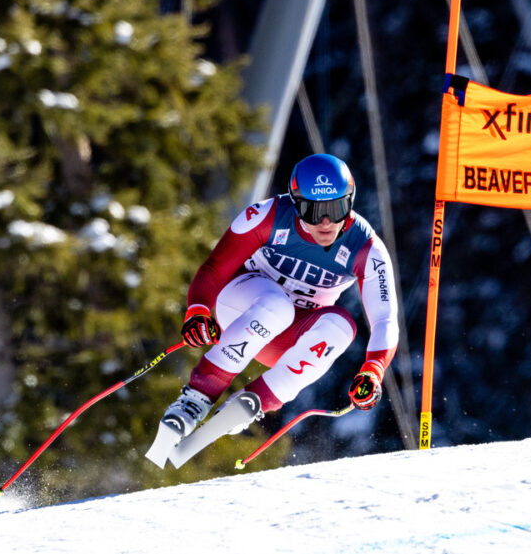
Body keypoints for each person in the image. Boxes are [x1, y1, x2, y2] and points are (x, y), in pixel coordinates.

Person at [146, 153, 398, 467]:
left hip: (286, 337)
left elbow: (385, 318)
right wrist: (198, 311)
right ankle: (196, 397)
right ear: (295, 203)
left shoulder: (365, 246)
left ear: (350, 202)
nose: (325, 223)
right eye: (313, 210)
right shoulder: (266, 215)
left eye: (336, 209)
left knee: (343, 326)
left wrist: (373, 371)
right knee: (278, 305)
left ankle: (252, 403)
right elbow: (214, 269)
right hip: (242, 306)